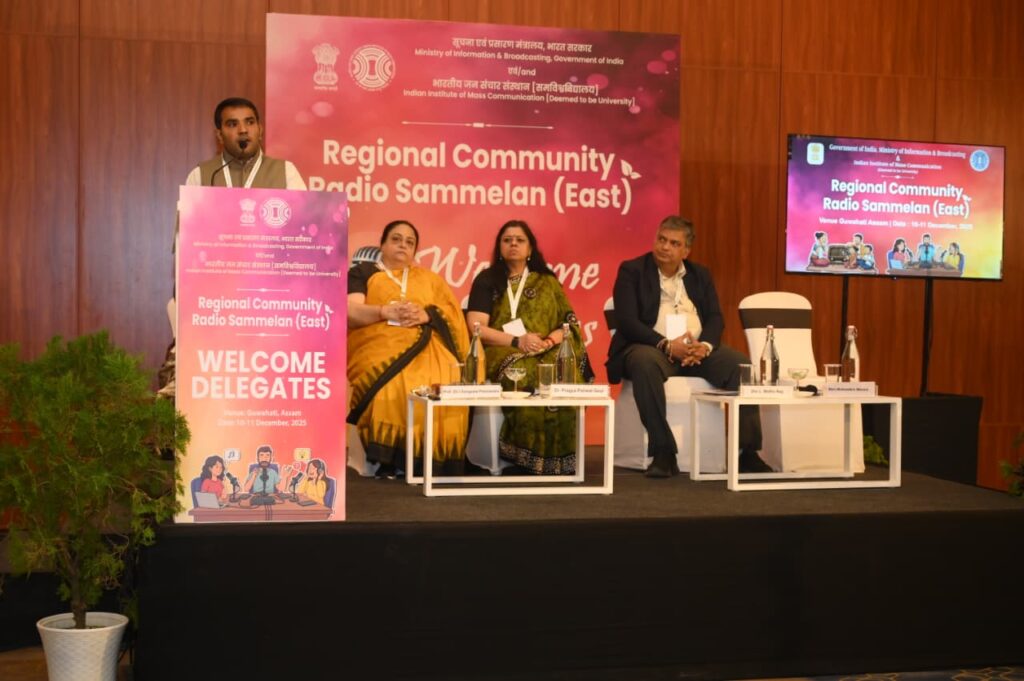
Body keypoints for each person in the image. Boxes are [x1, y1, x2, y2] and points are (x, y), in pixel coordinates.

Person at [160, 97, 307, 400]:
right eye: (232, 124)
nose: (243, 130)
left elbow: (305, 239)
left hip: (273, 299)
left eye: (249, 122)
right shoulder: (202, 175)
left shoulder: (286, 172)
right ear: (219, 134)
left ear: (260, 129)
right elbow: (185, 248)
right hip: (217, 301)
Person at [606, 215, 766, 478]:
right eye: (661, 239)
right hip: (653, 348)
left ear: (686, 250)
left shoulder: (700, 274)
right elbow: (627, 321)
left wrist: (705, 346)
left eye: (674, 243)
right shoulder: (632, 271)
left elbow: (715, 317)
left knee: (742, 367)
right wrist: (666, 345)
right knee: (643, 363)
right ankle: (663, 452)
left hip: (695, 352)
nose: (664, 247)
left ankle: (747, 453)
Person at [347, 220, 470, 479]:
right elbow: (352, 312)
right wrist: (384, 311)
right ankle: (388, 458)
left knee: (444, 378)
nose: (403, 245)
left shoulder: (429, 280)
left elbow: (452, 313)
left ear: (415, 251)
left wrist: (428, 315)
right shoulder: (363, 272)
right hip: (378, 344)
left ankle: (431, 460)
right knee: (393, 382)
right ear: (382, 245)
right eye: (396, 239)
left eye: (409, 242)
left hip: (428, 344)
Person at [465, 220, 590, 475]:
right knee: (526, 374)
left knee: (561, 373)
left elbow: (569, 324)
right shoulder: (487, 280)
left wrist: (549, 341)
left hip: (545, 346)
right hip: (503, 348)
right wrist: (517, 341)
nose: (513, 244)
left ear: (530, 248)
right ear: (499, 247)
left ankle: (560, 458)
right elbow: (477, 328)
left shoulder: (548, 281)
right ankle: (526, 455)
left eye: (519, 240)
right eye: (507, 240)